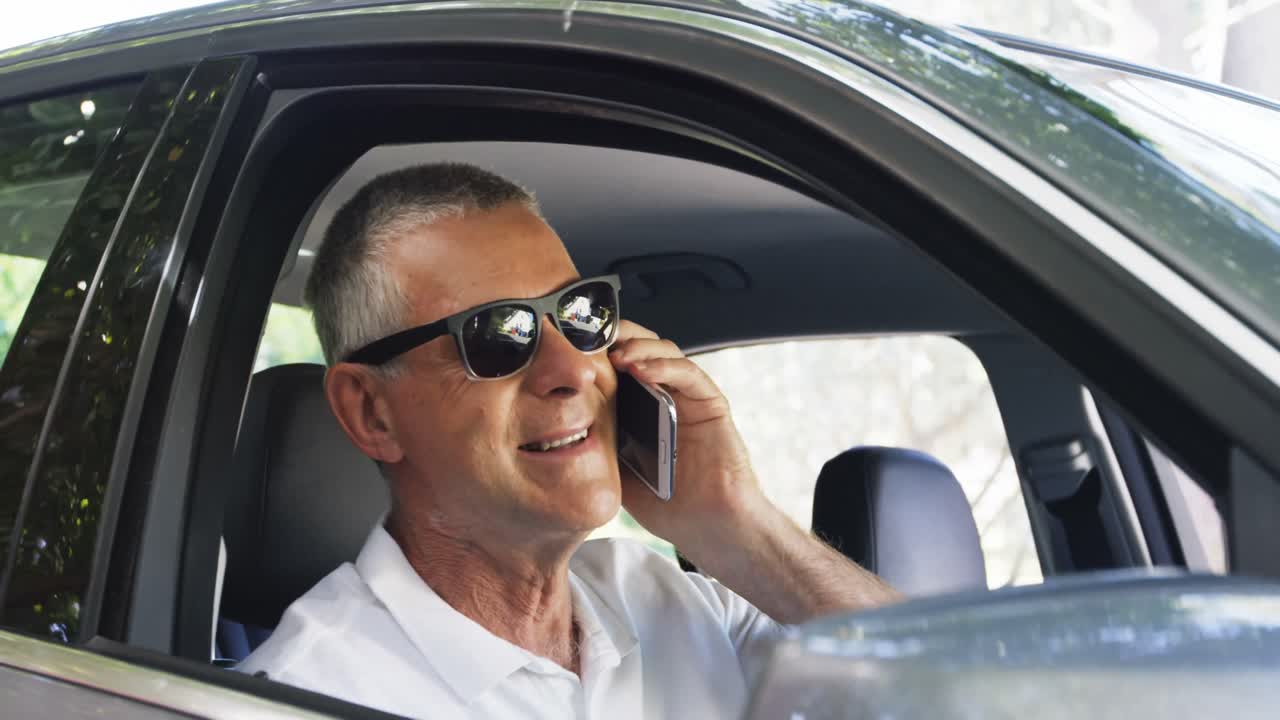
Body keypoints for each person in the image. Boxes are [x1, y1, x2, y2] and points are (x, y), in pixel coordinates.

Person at [236, 162, 900, 718]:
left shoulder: (672, 600)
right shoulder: (304, 698)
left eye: (582, 315)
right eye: (499, 334)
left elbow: (964, 698)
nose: (574, 369)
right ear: (371, 413)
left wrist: (737, 523)